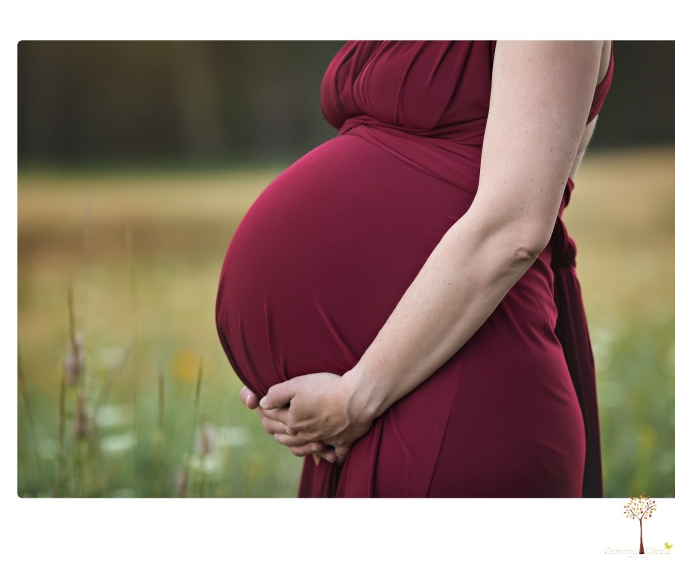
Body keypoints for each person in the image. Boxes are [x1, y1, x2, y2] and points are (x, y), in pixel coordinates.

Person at [216, 41, 613, 497]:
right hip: (366, 399)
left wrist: (357, 397)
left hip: (459, 386)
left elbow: (515, 226)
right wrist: (279, 385)